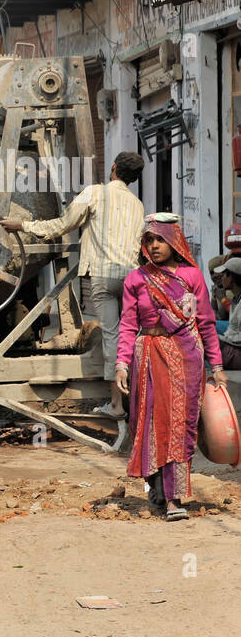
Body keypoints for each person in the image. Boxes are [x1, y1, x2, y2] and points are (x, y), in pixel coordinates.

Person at [1, 152, 146, 418]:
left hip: (103, 276)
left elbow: (62, 225)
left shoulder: (95, 194)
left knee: (113, 336)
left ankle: (116, 405)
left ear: (113, 168)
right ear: (134, 179)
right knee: (130, 336)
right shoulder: (137, 205)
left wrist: (22, 225)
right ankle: (135, 399)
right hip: (132, 278)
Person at [115, 214, 225, 521]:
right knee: (150, 423)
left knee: (180, 426)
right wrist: (121, 365)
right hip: (148, 359)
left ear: (174, 241)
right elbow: (127, 325)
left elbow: (205, 322)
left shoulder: (191, 276)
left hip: (187, 359)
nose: (154, 245)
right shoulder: (136, 279)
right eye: (149, 240)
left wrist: (215, 365)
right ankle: (157, 488)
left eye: (160, 239)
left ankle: (175, 498)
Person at [216, 256, 241, 369]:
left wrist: (221, 339)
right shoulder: (236, 298)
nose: (221, 278)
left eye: (224, 275)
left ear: (232, 278)